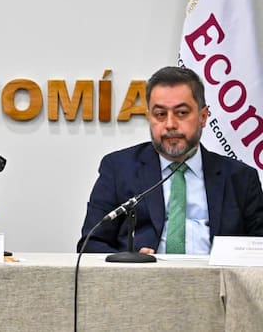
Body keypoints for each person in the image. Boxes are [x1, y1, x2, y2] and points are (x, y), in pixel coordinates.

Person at [77, 66, 263, 254]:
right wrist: (128, 263)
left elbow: (259, 249)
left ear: (203, 117)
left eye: (181, 113)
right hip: (144, 273)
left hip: (216, 273)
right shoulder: (119, 169)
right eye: (160, 114)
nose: (170, 124)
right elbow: (90, 244)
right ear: (149, 117)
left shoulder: (241, 178)